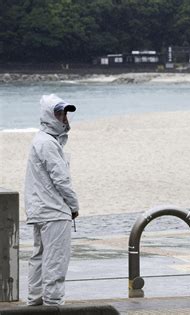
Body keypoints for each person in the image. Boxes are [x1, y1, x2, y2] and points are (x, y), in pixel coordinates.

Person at [24, 94, 79, 306]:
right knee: (55, 260)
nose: (64, 117)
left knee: (39, 259)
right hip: (54, 211)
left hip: (40, 209)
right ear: (48, 115)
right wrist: (74, 205)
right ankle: (53, 304)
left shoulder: (41, 140)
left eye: (65, 113)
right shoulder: (48, 143)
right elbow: (61, 179)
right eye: (59, 113)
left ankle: (35, 303)